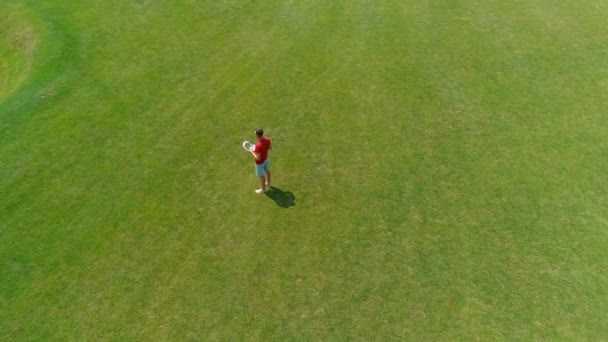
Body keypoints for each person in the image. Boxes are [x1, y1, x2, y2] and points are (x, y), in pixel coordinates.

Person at [251, 128, 272, 193]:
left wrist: (251, 152)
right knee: (267, 171)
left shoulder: (258, 145)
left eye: (255, 134)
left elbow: (258, 158)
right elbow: (270, 148)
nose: (254, 135)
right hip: (266, 159)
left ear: (258, 135)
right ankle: (268, 183)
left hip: (259, 163)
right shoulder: (267, 139)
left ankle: (263, 189)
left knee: (261, 176)